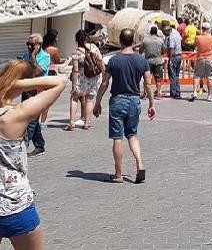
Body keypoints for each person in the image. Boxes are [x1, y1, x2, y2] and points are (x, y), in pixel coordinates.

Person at [0, 61, 67, 249]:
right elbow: (60, 82)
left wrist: (3, 83)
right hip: (14, 204)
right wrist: (19, 83)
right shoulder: (17, 114)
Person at [95, 29, 157, 184]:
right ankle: (140, 164)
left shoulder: (114, 60)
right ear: (133, 40)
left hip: (118, 101)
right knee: (132, 135)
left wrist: (97, 103)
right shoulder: (142, 61)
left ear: (120, 41)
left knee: (117, 138)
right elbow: (148, 85)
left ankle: (119, 174)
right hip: (134, 100)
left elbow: (104, 83)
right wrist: (151, 104)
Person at [22, 34, 51, 158]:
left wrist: (33, 57)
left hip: (39, 92)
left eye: (32, 45)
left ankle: (23, 146)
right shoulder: (25, 55)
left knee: (31, 121)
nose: (29, 47)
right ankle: (39, 145)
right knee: (28, 118)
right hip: (27, 90)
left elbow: (37, 72)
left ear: (39, 45)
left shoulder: (45, 57)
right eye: (28, 44)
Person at [68, 30, 102, 131]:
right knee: (89, 99)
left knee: (74, 98)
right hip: (93, 77)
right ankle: (86, 123)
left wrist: (74, 84)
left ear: (76, 40)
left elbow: (75, 70)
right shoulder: (94, 47)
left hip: (81, 77)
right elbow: (100, 59)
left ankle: (71, 122)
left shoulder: (76, 52)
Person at [190, 23, 212, 102]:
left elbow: (195, 46)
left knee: (197, 76)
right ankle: (209, 95)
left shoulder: (197, 38)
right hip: (209, 58)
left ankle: (195, 92)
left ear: (202, 28)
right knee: (210, 77)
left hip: (200, 58)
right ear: (209, 29)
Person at [139, 26, 166, 100]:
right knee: (158, 79)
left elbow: (140, 50)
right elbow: (164, 51)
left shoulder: (145, 40)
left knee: (146, 78)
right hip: (158, 61)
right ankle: (158, 94)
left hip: (148, 61)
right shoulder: (160, 40)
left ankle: (145, 94)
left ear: (150, 32)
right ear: (156, 32)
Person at [162, 22, 183, 99]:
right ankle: (177, 91)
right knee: (176, 75)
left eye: (165, 33)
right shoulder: (176, 32)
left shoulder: (171, 36)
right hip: (179, 56)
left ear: (167, 31)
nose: (164, 35)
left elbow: (172, 48)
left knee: (172, 76)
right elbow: (180, 41)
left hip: (174, 57)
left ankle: (174, 92)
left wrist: (170, 59)